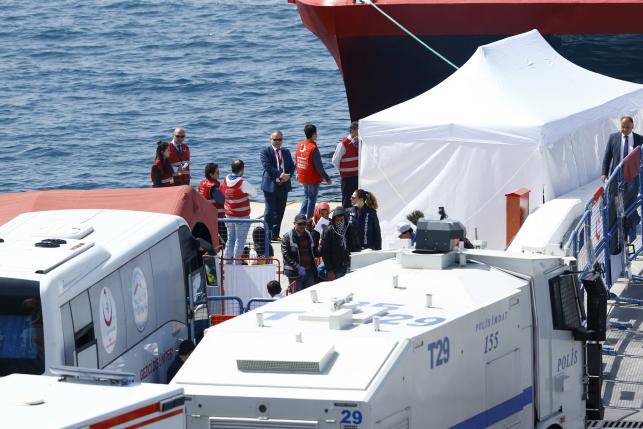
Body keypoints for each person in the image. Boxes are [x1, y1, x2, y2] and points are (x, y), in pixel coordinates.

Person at [601, 116, 643, 247]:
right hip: (616, 180)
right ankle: (615, 241)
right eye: (622, 127)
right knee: (617, 207)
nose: (624, 129)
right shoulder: (613, 138)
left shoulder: (640, 140)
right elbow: (607, 157)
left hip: (632, 180)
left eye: (627, 127)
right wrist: (604, 174)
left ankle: (631, 227)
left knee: (629, 205)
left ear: (632, 127)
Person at [220, 159, 257, 264]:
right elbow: (254, 194)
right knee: (239, 241)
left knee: (230, 239)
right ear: (242, 170)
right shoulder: (242, 183)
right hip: (241, 217)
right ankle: (237, 263)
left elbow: (222, 191)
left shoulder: (225, 181)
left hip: (229, 215)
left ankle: (227, 263)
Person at [261, 130, 295, 241]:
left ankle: (275, 234)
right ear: (271, 140)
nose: (277, 141)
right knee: (270, 211)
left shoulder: (286, 151)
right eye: (275, 139)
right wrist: (281, 175)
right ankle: (267, 234)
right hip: (270, 185)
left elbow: (291, 165)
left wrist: (288, 176)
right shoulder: (265, 151)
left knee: (280, 210)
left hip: (283, 185)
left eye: (279, 139)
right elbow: (268, 167)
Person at [296, 124, 332, 220]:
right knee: (312, 198)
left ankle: (301, 216)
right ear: (314, 134)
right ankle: (309, 219)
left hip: (303, 176)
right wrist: (327, 179)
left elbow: (297, 160)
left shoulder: (300, 145)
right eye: (316, 132)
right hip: (312, 178)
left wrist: (298, 173)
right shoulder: (313, 148)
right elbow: (319, 167)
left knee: (307, 196)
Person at [281, 214, 319, 291]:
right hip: (294, 274)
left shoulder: (308, 234)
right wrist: (297, 267)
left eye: (304, 224)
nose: (302, 226)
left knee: (309, 296)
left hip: (309, 272)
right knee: (297, 298)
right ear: (294, 224)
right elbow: (286, 256)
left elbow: (313, 252)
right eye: (299, 224)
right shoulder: (287, 237)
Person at [321, 207, 358, 280]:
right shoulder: (328, 231)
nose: (340, 222)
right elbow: (325, 253)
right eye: (337, 220)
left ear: (345, 219)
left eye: (342, 220)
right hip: (335, 267)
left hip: (348, 264)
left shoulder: (349, 228)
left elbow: (354, 245)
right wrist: (329, 270)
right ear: (334, 220)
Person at [332, 121, 361, 208]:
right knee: (347, 200)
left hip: (358, 177)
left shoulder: (360, 143)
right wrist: (342, 172)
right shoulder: (343, 144)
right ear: (352, 131)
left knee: (359, 199)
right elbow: (335, 161)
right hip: (347, 179)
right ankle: (346, 219)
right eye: (358, 131)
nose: (359, 133)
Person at [197, 163, 226, 244]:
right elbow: (223, 201)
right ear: (211, 174)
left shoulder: (202, 184)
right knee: (224, 240)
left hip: (205, 217)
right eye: (217, 172)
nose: (219, 173)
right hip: (217, 218)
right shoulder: (213, 187)